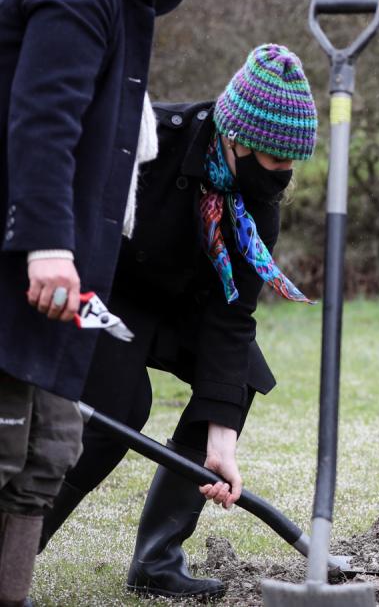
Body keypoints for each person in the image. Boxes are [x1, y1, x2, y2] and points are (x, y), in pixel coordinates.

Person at [39, 45, 318, 599]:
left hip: (182, 306)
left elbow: (233, 311)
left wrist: (223, 444)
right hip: (110, 294)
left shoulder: (258, 198)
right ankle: (16, 544)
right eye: (274, 160)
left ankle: (157, 560)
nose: (283, 175)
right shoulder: (150, 141)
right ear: (235, 137)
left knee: (235, 382)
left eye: (292, 163)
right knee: (119, 405)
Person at [0, 0, 207, 607]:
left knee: (46, 452)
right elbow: (43, 121)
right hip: (26, 259)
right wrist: (49, 244)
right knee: (7, 448)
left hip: (57, 266)